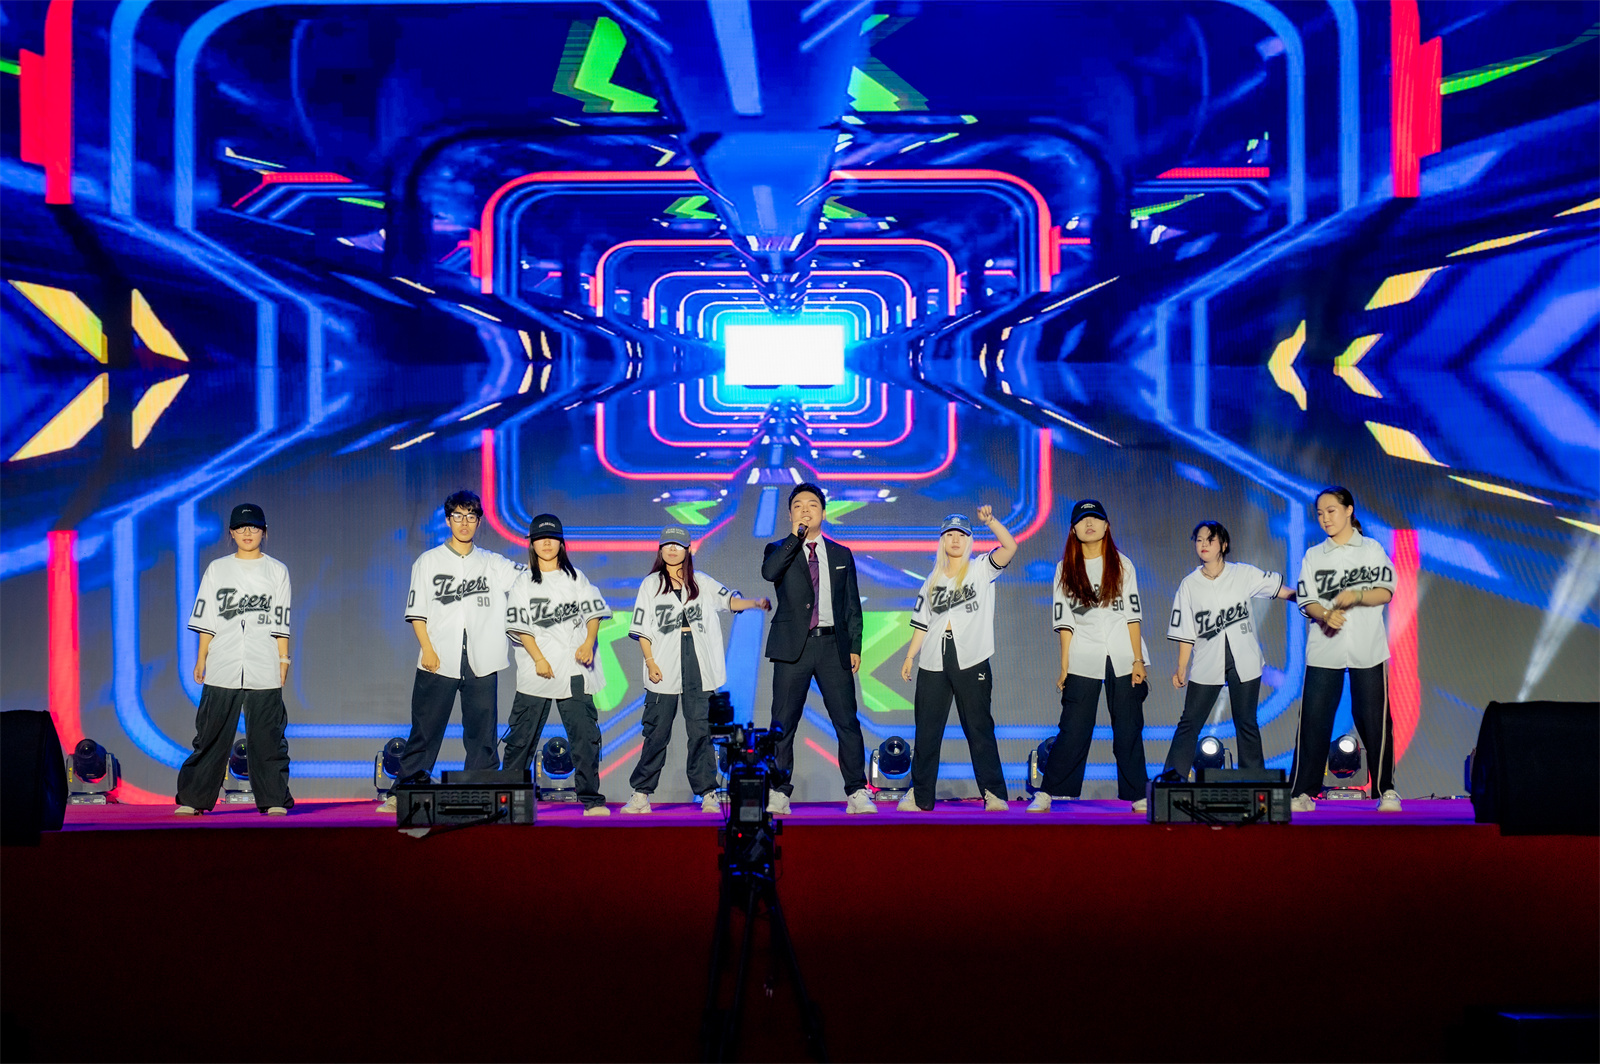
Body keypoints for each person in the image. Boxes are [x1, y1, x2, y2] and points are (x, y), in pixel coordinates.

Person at [381, 489, 519, 813]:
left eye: (471, 517)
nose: (464, 523)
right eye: (458, 516)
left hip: (482, 659)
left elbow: (527, 581)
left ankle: (481, 790)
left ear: (479, 521)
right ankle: (405, 790)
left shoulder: (492, 563)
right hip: (438, 657)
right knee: (425, 730)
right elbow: (417, 612)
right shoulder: (428, 561)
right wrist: (427, 648)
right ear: (447, 520)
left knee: (482, 733)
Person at [623, 526, 770, 814]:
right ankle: (641, 793)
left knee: (701, 731)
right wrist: (650, 662)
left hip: (699, 663)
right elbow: (642, 629)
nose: (672, 549)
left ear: (688, 549)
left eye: (678, 545)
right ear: (660, 550)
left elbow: (729, 601)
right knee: (656, 732)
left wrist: (753, 603)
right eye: (667, 545)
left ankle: (707, 793)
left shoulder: (701, 581)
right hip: (663, 663)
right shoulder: (651, 584)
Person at [1031, 498, 1151, 814]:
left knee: (1128, 726)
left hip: (1123, 653)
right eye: (1083, 520)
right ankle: (1051, 791)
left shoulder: (1123, 565)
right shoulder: (1065, 569)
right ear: (1073, 529)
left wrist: (1138, 660)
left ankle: (1137, 793)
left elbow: (1133, 616)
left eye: (1096, 518)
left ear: (1106, 526)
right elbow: (1065, 622)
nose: (1089, 524)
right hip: (1083, 653)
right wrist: (1064, 666)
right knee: (1073, 727)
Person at [1287, 487, 1402, 813]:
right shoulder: (1314, 555)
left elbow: (1386, 590)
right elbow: (1306, 600)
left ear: (1349, 510)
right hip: (1324, 648)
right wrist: (1326, 614)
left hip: (1367, 646)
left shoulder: (1371, 549)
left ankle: (1386, 789)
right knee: (1314, 719)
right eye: (1320, 513)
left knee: (1374, 720)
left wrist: (1357, 596)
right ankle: (1303, 791)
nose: (1325, 519)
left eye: (1331, 511)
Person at [175, 503, 294, 815]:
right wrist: (201, 658)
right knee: (210, 734)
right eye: (241, 528)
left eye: (254, 527)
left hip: (263, 662)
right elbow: (207, 619)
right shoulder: (217, 569)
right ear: (231, 532)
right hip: (223, 662)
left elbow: (281, 620)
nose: (247, 533)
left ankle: (273, 799)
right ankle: (194, 799)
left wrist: (283, 659)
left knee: (268, 737)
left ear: (264, 531)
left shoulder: (277, 570)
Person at [897, 508, 1018, 812]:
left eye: (961, 535)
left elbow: (1010, 547)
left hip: (972, 658)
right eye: (949, 534)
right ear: (942, 540)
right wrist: (910, 656)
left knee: (978, 727)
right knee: (927, 731)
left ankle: (993, 793)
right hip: (933, 661)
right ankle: (920, 795)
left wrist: (991, 522)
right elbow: (922, 623)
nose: (954, 539)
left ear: (969, 540)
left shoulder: (981, 568)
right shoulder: (932, 579)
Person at [762, 483, 872, 815]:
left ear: (824, 513)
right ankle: (779, 791)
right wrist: (795, 538)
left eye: (812, 505)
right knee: (782, 723)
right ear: (790, 514)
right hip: (791, 647)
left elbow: (852, 604)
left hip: (832, 646)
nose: (806, 510)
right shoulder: (778, 549)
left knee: (846, 721)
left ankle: (857, 791)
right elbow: (770, 572)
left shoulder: (840, 554)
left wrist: (854, 645)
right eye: (798, 506)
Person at [1163, 520, 1297, 777]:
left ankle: (1254, 778)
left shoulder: (1242, 573)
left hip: (1244, 660)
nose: (1203, 545)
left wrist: (1307, 602)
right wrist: (1181, 666)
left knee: (1246, 722)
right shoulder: (1189, 585)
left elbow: (1279, 590)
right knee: (1190, 722)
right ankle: (1173, 777)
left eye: (1210, 540)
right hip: (1207, 661)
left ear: (1223, 545)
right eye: (1199, 540)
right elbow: (1185, 631)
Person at [502, 514, 612, 815]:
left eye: (552, 538)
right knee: (520, 739)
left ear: (561, 543)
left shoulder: (576, 578)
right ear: (532, 544)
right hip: (535, 670)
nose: (546, 543)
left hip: (575, 669)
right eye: (540, 539)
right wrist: (538, 658)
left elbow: (593, 613)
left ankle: (590, 799)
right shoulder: (523, 582)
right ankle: (508, 801)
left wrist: (588, 643)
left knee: (585, 738)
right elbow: (519, 626)